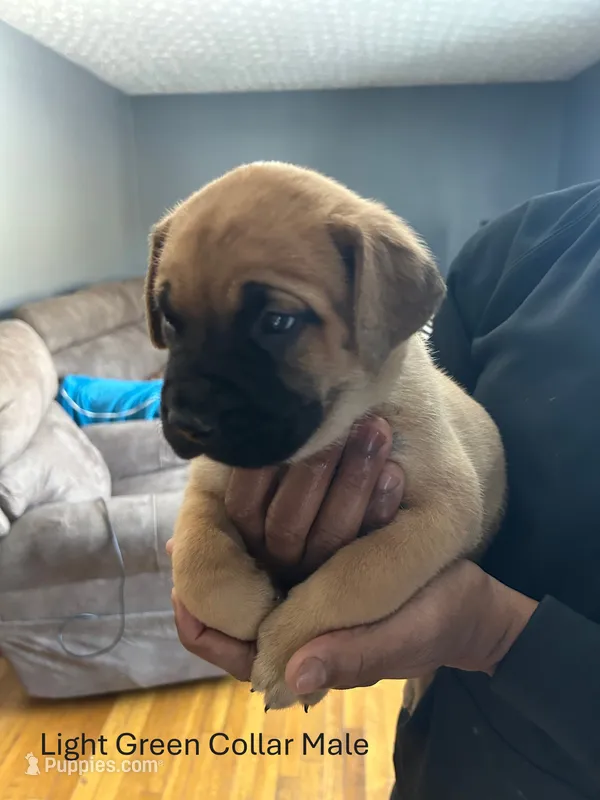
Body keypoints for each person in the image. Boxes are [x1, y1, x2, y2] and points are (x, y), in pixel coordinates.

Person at [168, 180, 600, 799]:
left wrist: (493, 633)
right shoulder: (518, 247)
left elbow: (449, 504)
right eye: (173, 321)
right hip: (442, 751)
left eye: (276, 320)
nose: (193, 404)